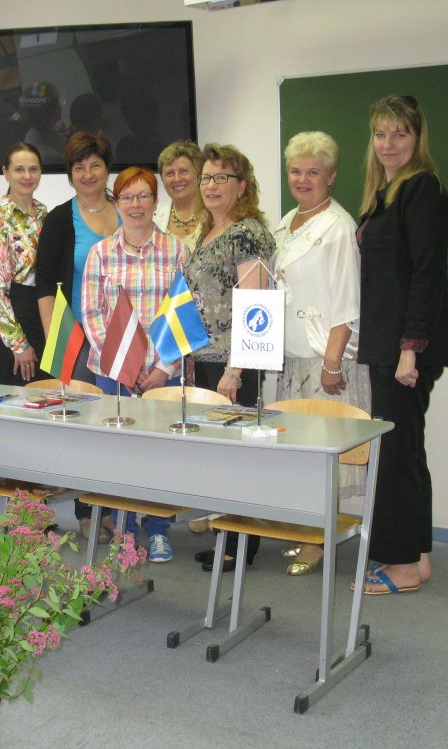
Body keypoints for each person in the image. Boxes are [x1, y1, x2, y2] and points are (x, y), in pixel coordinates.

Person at [356, 95, 448, 595]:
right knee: (406, 448)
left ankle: (400, 567)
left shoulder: (423, 190)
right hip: (389, 341)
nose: (389, 144)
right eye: (381, 134)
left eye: (399, 134)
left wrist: (410, 348)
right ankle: (416, 558)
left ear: (417, 138)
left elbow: (426, 273)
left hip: (406, 346)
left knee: (396, 455)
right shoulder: (384, 194)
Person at [272, 131, 372, 576]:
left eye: (313, 172)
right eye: (296, 171)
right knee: (301, 454)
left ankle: (318, 542)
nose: (302, 179)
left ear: (331, 177)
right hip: (292, 359)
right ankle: (309, 530)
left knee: (322, 455)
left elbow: (347, 302)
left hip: (325, 361)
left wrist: (332, 365)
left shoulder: (338, 226)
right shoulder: (286, 221)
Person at [80, 166, 186, 562]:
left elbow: (183, 314)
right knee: (120, 453)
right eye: (127, 197)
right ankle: (124, 532)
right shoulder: (100, 253)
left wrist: (162, 368)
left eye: (143, 196)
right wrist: (124, 363)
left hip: (163, 372)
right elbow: (92, 314)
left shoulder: (176, 250)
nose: (135, 204)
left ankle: (157, 530)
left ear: (156, 202)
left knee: (161, 454)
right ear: (117, 203)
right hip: (114, 373)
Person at [184, 143, 275, 572]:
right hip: (206, 361)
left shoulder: (247, 234)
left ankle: (241, 547)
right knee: (217, 456)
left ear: (242, 186)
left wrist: (235, 371)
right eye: (206, 177)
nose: (211, 185)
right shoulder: (206, 232)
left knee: (237, 457)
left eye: (222, 177)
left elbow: (255, 310)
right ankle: (226, 537)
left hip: (234, 365)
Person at [36, 131, 121, 542]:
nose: (88, 174)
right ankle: (87, 511)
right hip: (78, 339)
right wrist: (58, 351)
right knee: (85, 427)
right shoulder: (58, 220)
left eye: (95, 165)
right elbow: (44, 288)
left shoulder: (128, 209)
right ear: (70, 173)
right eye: (79, 166)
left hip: (124, 338)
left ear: (107, 169)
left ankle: (118, 508)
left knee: (120, 423)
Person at [0, 142, 49, 385]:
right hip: (13, 321)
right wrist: (18, 345)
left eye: (33, 169)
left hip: (43, 313)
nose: (27, 176)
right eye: (19, 169)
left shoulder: (45, 215)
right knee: (20, 399)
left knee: (50, 395)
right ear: (5, 172)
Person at [153, 140, 204, 252]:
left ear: (198, 174)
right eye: (170, 173)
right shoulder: (153, 217)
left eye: (183, 171)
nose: (177, 179)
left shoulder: (215, 213)